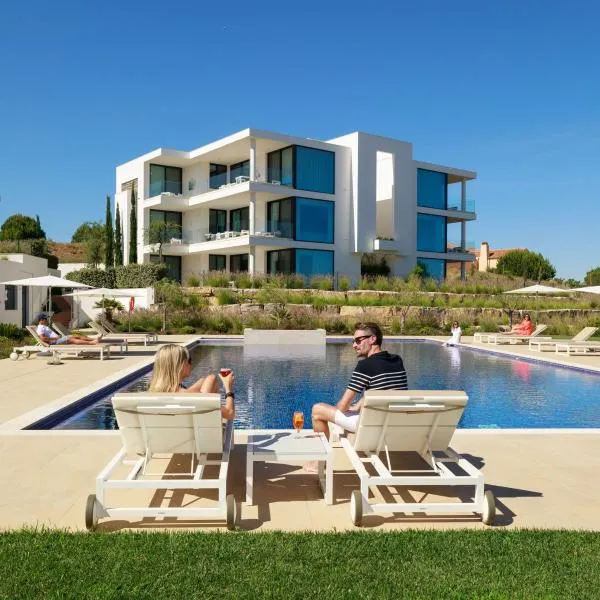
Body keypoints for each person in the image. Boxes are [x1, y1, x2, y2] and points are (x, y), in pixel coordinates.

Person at [311, 322, 408, 438]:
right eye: (353, 341)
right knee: (351, 408)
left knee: (318, 410)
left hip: (371, 425)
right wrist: (357, 406)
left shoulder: (365, 365)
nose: (354, 345)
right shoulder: (397, 360)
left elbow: (342, 407)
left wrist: (338, 409)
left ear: (372, 339)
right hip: (395, 422)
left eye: (358, 341)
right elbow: (382, 391)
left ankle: (322, 449)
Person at [148, 344, 235, 420]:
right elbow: (230, 414)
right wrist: (228, 388)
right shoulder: (191, 398)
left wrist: (206, 381)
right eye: (189, 360)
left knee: (210, 379)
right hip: (198, 433)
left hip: (162, 434)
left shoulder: (149, 397)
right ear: (182, 365)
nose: (191, 364)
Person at [35, 313, 103, 346]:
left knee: (76, 335)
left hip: (57, 339)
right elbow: (43, 339)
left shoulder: (44, 326)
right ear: (41, 320)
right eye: (46, 319)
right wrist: (55, 338)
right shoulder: (40, 328)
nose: (47, 320)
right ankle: (92, 342)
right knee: (72, 339)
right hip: (55, 342)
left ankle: (93, 339)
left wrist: (57, 337)